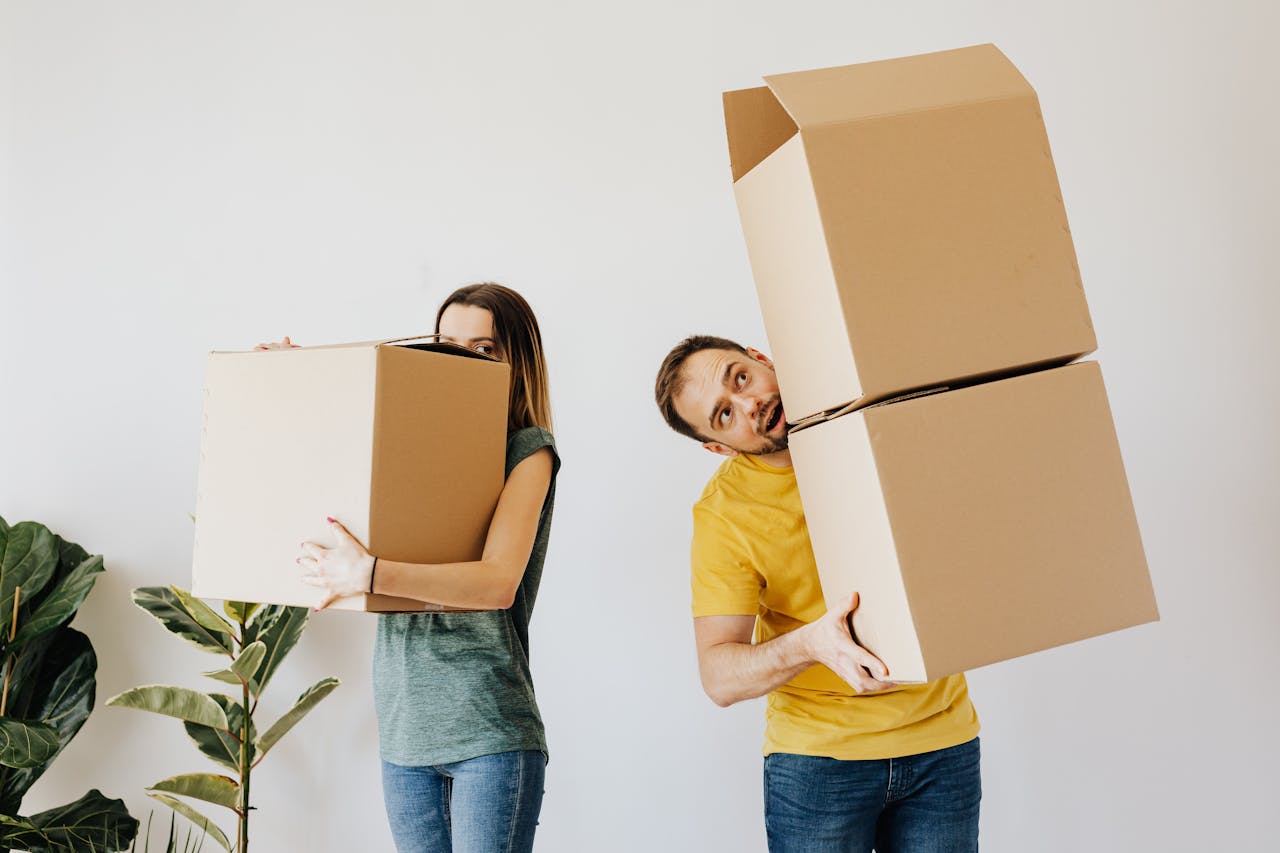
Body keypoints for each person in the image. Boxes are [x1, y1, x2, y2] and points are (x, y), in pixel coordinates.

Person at [654, 335, 981, 853]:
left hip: (944, 740)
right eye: (723, 415)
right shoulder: (724, 515)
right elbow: (718, 677)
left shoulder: (880, 425)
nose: (749, 403)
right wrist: (811, 644)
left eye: (740, 378)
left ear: (762, 359)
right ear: (718, 447)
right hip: (820, 764)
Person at [289, 283, 559, 853]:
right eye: (447, 345)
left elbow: (496, 583)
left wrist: (371, 574)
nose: (460, 361)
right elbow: (322, 454)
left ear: (517, 363)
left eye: (482, 350)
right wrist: (288, 381)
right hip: (404, 734)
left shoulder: (527, 450)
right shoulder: (403, 447)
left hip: (487, 730)